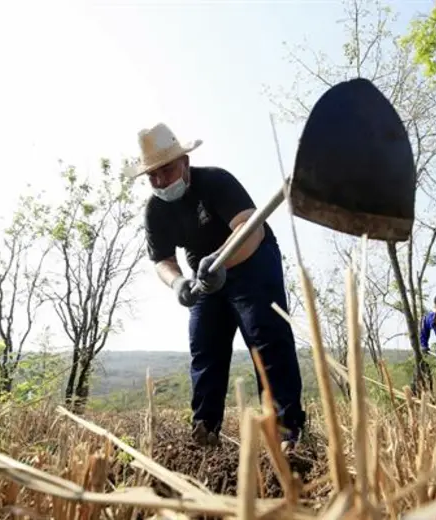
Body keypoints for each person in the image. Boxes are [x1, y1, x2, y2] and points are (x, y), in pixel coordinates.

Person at [129, 122, 306, 451]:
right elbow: (162, 260)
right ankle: (204, 429)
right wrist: (178, 282)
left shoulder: (216, 181)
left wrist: (222, 260)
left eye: (165, 170)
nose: (159, 181)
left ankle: (287, 429)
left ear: (184, 161)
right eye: (151, 176)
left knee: (265, 337)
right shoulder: (155, 211)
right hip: (204, 278)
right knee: (204, 347)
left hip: (252, 262)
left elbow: (249, 230)